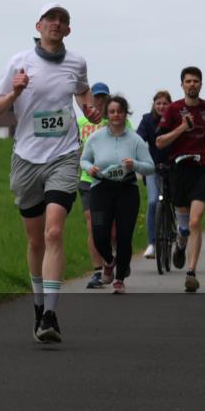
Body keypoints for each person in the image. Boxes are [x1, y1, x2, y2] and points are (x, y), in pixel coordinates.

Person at [0, 4, 101, 343]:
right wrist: (15, 92)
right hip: (26, 158)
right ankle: (38, 306)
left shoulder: (77, 62)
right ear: (38, 25)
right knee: (35, 239)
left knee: (54, 232)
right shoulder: (18, 62)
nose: (56, 24)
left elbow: (83, 92)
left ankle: (51, 314)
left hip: (64, 156)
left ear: (68, 30)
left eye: (62, 21)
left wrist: (89, 107)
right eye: (50, 19)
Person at [155, 66, 205, 293]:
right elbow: (160, 142)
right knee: (184, 225)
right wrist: (183, 127)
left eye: (196, 81)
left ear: (201, 84)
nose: (192, 84)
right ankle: (181, 244)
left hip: (202, 168)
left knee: (196, 222)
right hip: (179, 168)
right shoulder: (173, 110)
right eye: (188, 81)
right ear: (182, 85)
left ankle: (191, 273)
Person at [80, 95, 154, 293]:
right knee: (99, 234)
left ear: (125, 113)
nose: (115, 115)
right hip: (101, 190)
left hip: (126, 190)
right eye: (112, 112)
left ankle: (120, 279)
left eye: (119, 112)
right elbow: (84, 160)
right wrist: (90, 169)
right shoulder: (95, 137)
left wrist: (135, 165)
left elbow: (150, 167)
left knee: (124, 236)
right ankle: (110, 261)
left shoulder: (135, 139)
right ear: (107, 114)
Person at [78, 82, 113, 289]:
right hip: (87, 179)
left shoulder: (116, 119)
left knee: (112, 229)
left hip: (111, 180)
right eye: (96, 97)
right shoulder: (81, 122)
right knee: (92, 224)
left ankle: (113, 259)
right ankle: (97, 271)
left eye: (103, 97)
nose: (99, 101)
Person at [136, 90, 172, 259]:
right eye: (158, 103)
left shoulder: (175, 119)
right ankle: (152, 243)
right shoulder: (147, 120)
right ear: (154, 104)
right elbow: (138, 139)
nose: (161, 106)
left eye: (165, 103)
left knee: (174, 201)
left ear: (169, 105)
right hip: (152, 168)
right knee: (153, 202)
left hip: (172, 168)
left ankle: (175, 227)